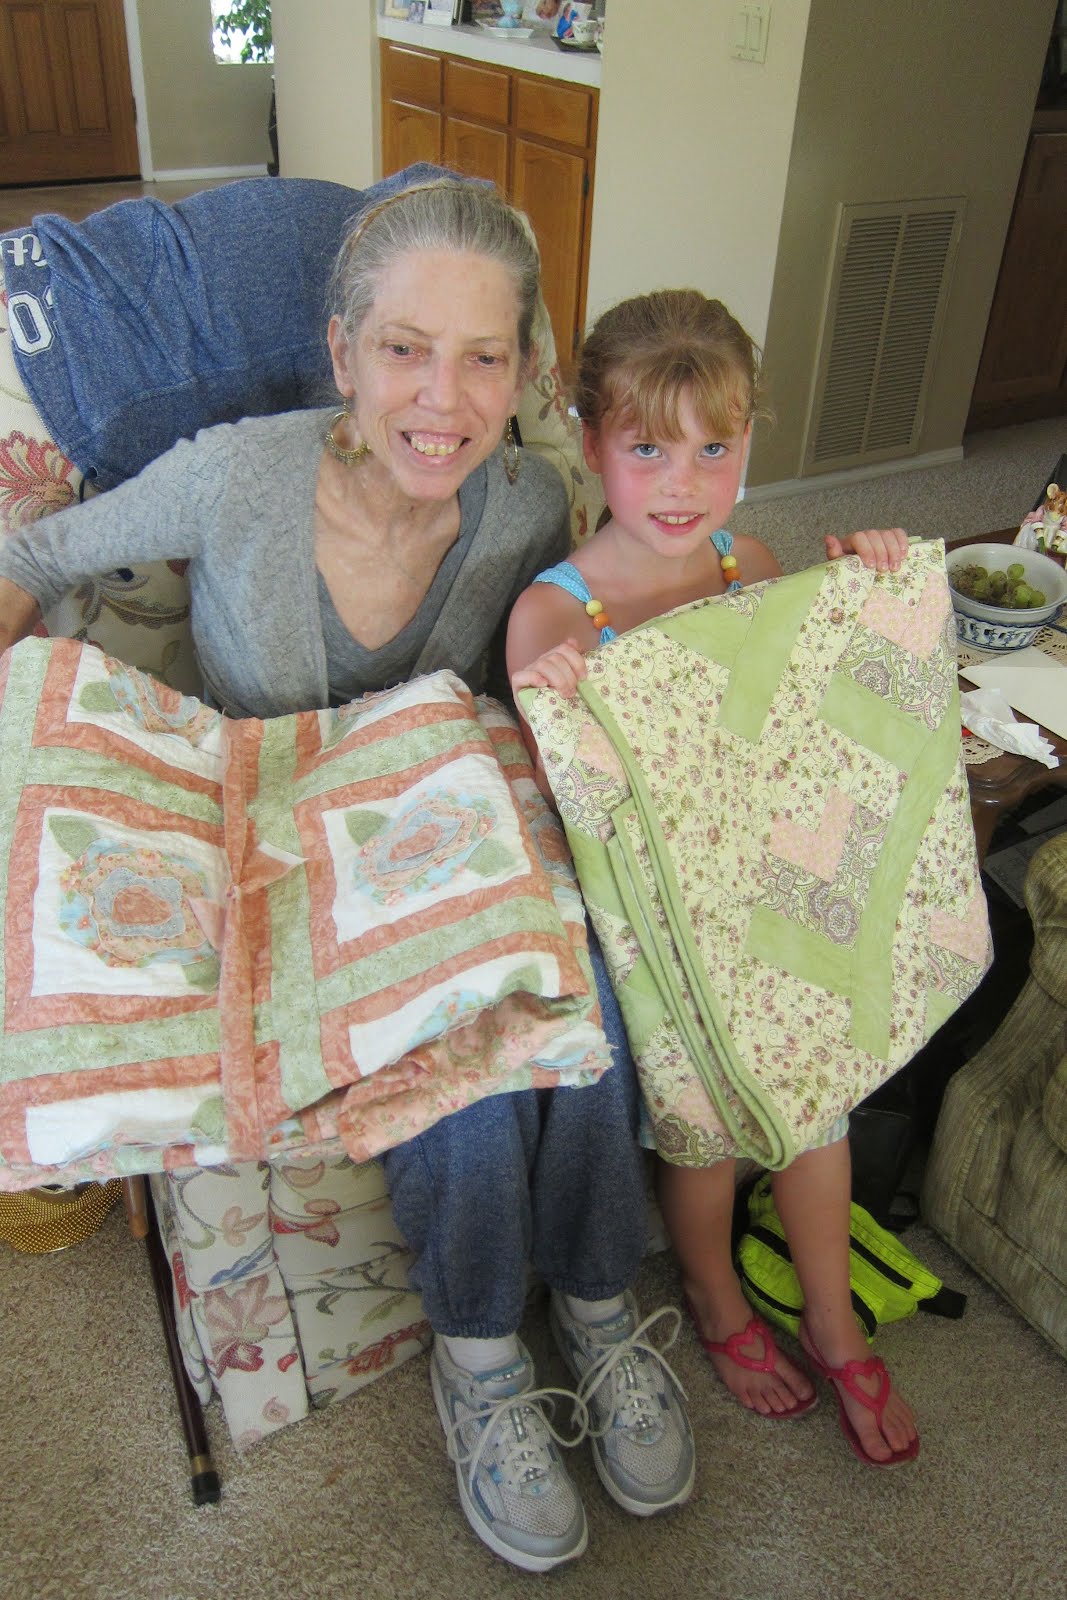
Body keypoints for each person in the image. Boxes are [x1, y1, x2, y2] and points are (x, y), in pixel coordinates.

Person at [0, 180, 694, 1573]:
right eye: (403, 349)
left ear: (521, 372)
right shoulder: (235, 475)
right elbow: (32, 551)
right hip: (281, 860)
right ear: (340, 355)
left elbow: (609, 620)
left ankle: (601, 1306)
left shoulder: (525, 505)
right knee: (456, 1068)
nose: (442, 398)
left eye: (483, 357)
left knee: (583, 1011)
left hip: (438, 833)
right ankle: (481, 1356)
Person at [507, 287, 920, 1470]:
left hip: (762, 896)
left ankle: (832, 1319)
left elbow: (804, 725)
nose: (681, 483)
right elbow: (570, 817)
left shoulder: (750, 561)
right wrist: (565, 701)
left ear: (748, 440)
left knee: (814, 1099)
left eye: (712, 449)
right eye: (646, 449)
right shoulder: (554, 613)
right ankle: (716, 1296)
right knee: (701, 1134)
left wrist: (859, 590)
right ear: (591, 441)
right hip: (657, 928)